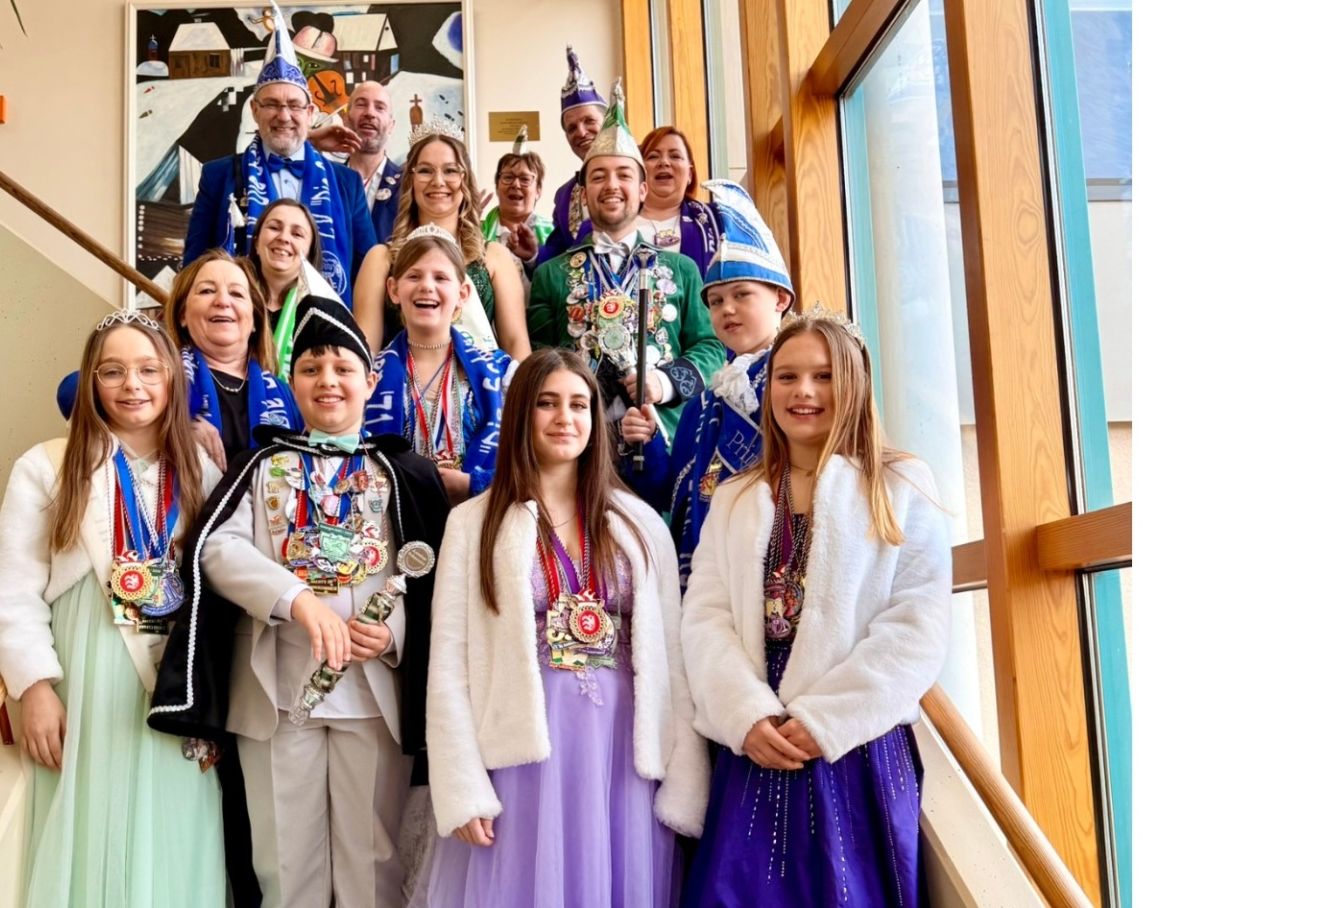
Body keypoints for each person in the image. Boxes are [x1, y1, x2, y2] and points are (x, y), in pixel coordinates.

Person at [148, 295, 452, 908]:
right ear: (292, 382)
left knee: (376, 865)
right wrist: (294, 600)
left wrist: (392, 633)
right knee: (285, 866)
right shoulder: (259, 466)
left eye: (343, 368)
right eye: (312, 369)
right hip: (277, 692)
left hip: (373, 696)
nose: (328, 381)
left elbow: (434, 580)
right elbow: (218, 550)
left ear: (371, 381)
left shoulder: (405, 474)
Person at [413, 349, 707, 908]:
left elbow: (674, 658)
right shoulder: (473, 523)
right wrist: (461, 783)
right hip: (524, 754)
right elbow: (448, 663)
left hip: (624, 753)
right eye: (546, 403)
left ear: (597, 420)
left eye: (578, 404)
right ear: (521, 413)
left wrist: (684, 775)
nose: (564, 418)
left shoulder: (641, 523)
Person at [679, 309, 952, 906]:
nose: (803, 392)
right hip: (756, 735)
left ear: (853, 384)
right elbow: (706, 617)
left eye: (824, 376)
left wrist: (825, 720)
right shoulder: (734, 497)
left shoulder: (900, 486)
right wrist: (746, 715)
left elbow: (916, 625)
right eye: (787, 377)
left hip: (852, 741)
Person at [0, 308, 228, 907]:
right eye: (113, 372)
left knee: (178, 827)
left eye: (148, 369)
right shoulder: (46, 465)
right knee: (94, 823)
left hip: (175, 674)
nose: (132, 386)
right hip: (89, 666)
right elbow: (12, 591)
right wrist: (35, 687)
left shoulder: (202, 470)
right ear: (91, 382)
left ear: (172, 379)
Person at [527, 79, 724, 451]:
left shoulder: (682, 269)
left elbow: (711, 347)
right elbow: (540, 361)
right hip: (580, 445)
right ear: (584, 195)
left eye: (624, 175)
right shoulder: (550, 275)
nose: (611, 185)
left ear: (643, 190)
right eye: (598, 177)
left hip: (663, 441)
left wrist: (662, 383)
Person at [620, 180, 794, 588]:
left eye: (741, 295)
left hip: (777, 563)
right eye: (715, 301)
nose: (727, 310)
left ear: (780, 299)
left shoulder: (796, 382)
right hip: (708, 578)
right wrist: (647, 443)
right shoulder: (704, 402)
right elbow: (671, 496)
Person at [183, 0, 379, 305]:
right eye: (272, 104)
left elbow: (369, 272)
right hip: (241, 332)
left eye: (294, 105)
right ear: (255, 110)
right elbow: (194, 266)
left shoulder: (346, 184)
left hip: (324, 335)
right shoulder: (218, 175)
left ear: (310, 112)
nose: (284, 116)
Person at [351, 125, 531, 360]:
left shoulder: (493, 257)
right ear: (411, 181)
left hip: (480, 391)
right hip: (402, 390)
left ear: (465, 181)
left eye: (450, 171)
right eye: (425, 171)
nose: (438, 181)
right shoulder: (382, 259)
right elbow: (365, 351)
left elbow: (516, 344)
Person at [365, 225, 516, 505]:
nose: (427, 286)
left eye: (441, 277)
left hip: (478, 529)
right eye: (414, 275)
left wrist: (474, 484)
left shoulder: (503, 374)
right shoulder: (369, 378)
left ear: (463, 293)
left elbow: (534, 467)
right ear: (393, 290)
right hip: (394, 528)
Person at [171, 250, 301, 470]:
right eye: (207, 290)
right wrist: (172, 430)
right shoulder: (161, 384)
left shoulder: (288, 395)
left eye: (237, 294)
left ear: (254, 320)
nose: (222, 301)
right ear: (183, 314)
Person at [532, 46, 609, 267]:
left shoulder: (641, 178)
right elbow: (559, 256)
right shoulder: (565, 196)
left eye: (589, 121)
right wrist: (532, 254)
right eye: (572, 128)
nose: (581, 132)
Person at [249, 198, 341, 379]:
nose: (283, 238)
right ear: (256, 243)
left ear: (310, 252)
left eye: (297, 234)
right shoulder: (233, 298)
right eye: (274, 228)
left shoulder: (324, 310)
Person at [636, 126, 721, 274]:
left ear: (690, 174)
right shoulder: (609, 222)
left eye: (675, 156)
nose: (664, 162)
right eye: (653, 156)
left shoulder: (719, 219)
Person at [479, 128, 553, 275]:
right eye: (508, 177)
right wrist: (465, 226)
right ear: (497, 186)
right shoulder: (478, 232)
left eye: (525, 179)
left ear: (538, 190)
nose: (516, 185)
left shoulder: (553, 236)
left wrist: (532, 259)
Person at [340, 80, 406, 243]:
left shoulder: (409, 186)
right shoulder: (326, 181)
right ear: (345, 120)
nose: (370, 113)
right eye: (361, 104)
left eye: (380, 107)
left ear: (391, 125)